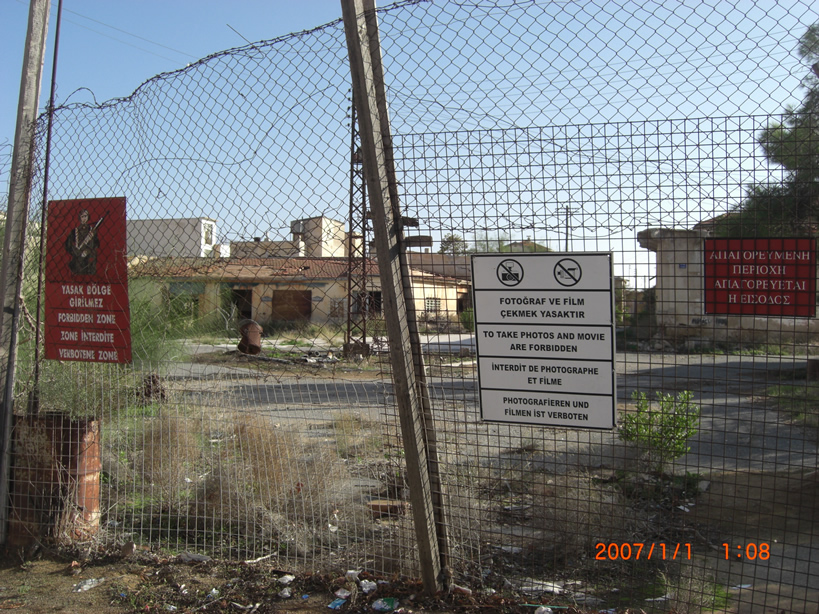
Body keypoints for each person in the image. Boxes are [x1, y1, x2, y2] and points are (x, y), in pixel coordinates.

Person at [65, 209, 100, 275]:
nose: (84, 218)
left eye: (85, 216)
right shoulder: (75, 231)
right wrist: (75, 252)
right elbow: (68, 244)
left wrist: (88, 251)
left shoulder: (92, 231)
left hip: (89, 259)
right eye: (82, 216)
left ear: (88, 217)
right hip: (77, 258)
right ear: (79, 218)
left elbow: (96, 244)